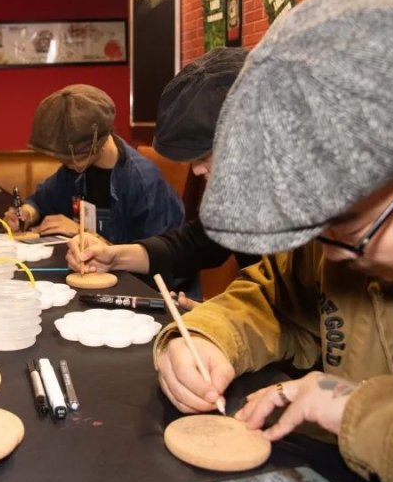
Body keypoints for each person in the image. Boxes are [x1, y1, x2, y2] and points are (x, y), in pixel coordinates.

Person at [156, 0, 393, 482]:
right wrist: (205, 339)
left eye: (349, 230)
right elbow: (275, 299)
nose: (328, 251)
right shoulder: (340, 230)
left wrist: (360, 413)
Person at [66, 48, 259, 299]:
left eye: (204, 156)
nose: (197, 169)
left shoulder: (320, 216)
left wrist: (229, 323)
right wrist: (114, 256)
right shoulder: (239, 197)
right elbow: (192, 246)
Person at [4, 84, 185, 244]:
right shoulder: (74, 169)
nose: (66, 163)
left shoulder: (143, 183)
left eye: (73, 158)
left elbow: (156, 261)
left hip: (143, 281)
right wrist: (27, 213)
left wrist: (82, 233)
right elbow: (42, 200)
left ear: (98, 143)